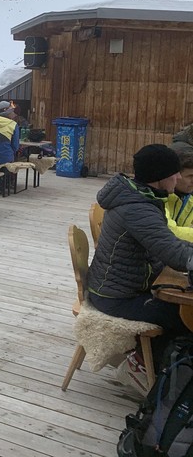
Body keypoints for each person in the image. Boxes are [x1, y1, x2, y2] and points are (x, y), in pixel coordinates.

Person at [88, 144, 193, 368]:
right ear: (160, 177)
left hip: (119, 288)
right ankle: (142, 366)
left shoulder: (140, 197)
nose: (177, 178)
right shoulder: (137, 209)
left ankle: (155, 363)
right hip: (116, 298)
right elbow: (173, 253)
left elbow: (169, 243)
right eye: (175, 173)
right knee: (186, 317)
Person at [166, 148, 193, 241]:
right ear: (175, 175)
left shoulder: (190, 199)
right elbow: (168, 231)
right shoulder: (158, 197)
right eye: (190, 176)